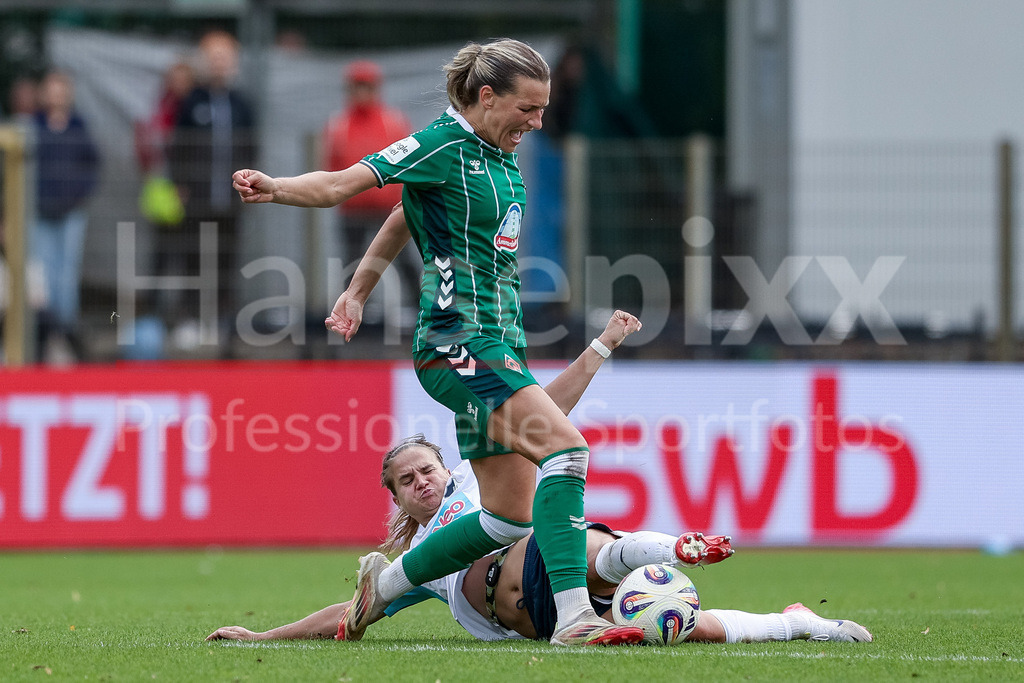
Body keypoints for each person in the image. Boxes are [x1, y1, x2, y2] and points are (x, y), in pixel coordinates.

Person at [232, 38, 642, 646]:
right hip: (459, 343)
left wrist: (359, 289)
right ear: (486, 95)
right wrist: (279, 187)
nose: (537, 121)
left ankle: (387, 584)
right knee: (567, 452)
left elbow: (405, 215)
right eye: (527, 108)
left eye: (542, 108)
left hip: (500, 346)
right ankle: (576, 617)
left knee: (507, 516)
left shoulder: (496, 155)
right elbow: (343, 184)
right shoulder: (440, 143)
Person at [206, 315, 871, 645]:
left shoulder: (482, 482)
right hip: (539, 619)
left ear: (447, 468)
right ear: (398, 497)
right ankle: (796, 624)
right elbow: (353, 614)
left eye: (427, 469)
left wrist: (601, 345)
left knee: (546, 536)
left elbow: (549, 414)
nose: (422, 482)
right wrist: (265, 639)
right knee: (675, 628)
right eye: (406, 480)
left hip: (549, 564)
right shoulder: (417, 563)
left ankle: (661, 549)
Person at [169, 30, 255, 347]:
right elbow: (177, 146)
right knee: (194, 259)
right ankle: (190, 320)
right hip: (198, 199)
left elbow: (251, 148)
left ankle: (221, 324)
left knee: (226, 262)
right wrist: (180, 184)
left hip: (231, 200)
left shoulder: (243, 104)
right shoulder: (191, 102)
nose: (219, 64)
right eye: (214, 58)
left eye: (225, 58)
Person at [323, 60, 418, 320]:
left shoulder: (393, 121)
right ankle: (355, 311)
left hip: (388, 209)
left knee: (403, 259)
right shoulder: (339, 125)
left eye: (367, 87)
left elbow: (409, 164)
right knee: (354, 263)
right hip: (353, 210)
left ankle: (423, 309)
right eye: (357, 87)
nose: (362, 93)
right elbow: (333, 166)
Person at [31, 69, 100, 362]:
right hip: (38, 212)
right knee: (41, 276)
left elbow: (93, 165)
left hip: (70, 213)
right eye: (51, 88)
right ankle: (44, 335)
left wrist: (78, 195)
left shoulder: (79, 127)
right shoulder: (32, 126)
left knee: (66, 275)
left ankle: (65, 334)